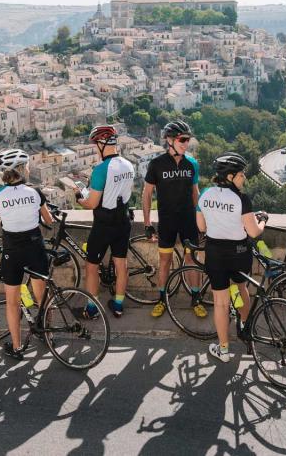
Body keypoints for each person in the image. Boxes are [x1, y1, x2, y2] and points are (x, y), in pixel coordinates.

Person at [197, 152, 266, 363]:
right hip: (239, 253)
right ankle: (245, 326)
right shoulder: (241, 199)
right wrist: (262, 220)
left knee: (220, 303)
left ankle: (223, 350)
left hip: (215, 253)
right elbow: (254, 232)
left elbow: (201, 227)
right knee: (240, 288)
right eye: (241, 174)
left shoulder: (205, 195)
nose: (244, 178)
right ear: (230, 177)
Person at [0, 148, 54, 360]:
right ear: (20, 169)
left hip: (12, 251)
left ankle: (16, 347)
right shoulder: (34, 192)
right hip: (35, 247)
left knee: (12, 302)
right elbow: (49, 220)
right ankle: (48, 335)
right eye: (25, 165)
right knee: (42, 296)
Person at [142, 120, 205, 319]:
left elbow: (196, 193)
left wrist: (200, 220)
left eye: (188, 140)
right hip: (167, 221)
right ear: (170, 140)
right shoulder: (156, 164)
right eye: (182, 140)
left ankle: (196, 299)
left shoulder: (191, 163)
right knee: (165, 261)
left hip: (188, 221)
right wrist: (147, 224)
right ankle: (162, 299)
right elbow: (146, 194)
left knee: (191, 260)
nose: (186, 144)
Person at [74, 125, 136, 318]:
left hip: (104, 224)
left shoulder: (101, 170)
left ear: (101, 143)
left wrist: (79, 198)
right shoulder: (129, 164)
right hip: (123, 220)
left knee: (91, 266)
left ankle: (92, 309)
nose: (95, 149)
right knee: (121, 265)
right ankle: (118, 305)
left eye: (95, 145)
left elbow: (92, 203)